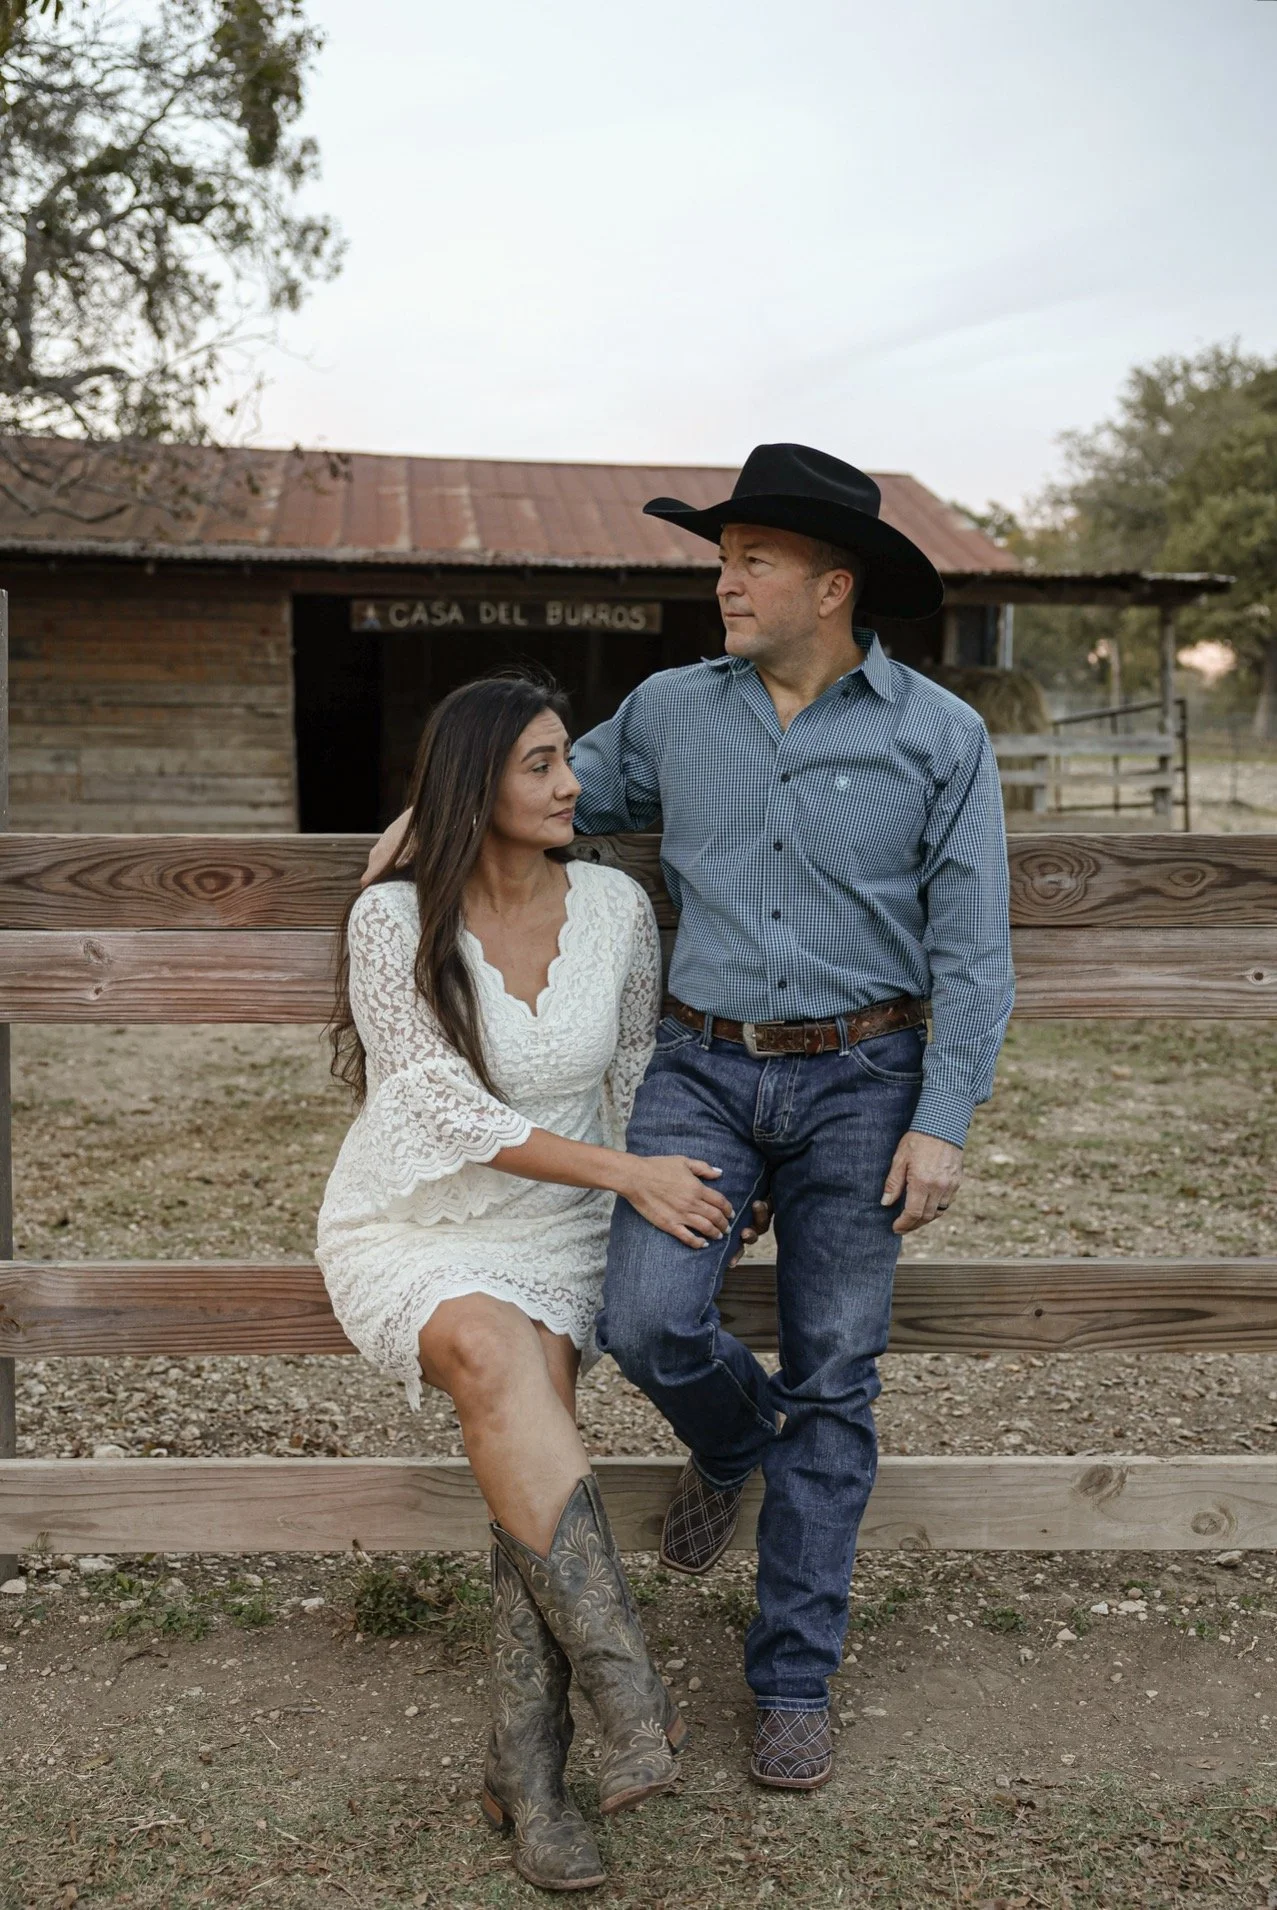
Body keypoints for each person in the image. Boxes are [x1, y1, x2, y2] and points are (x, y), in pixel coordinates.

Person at [364, 442, 1015, 1796]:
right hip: (704, 1069)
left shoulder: (938, 737)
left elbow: (975, 954)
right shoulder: (669, 711)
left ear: (830, 587)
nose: (724, 580)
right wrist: (419, 819)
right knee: (648, 1316)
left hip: (863, 1078)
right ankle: (731, 1435)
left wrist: (940, 1118)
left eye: (752, 559)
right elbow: (527, 782)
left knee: (836, 1371)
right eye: (723, 556)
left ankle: (788, 1680)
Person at [319, 672, 736, 1892]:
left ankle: (531, 1771)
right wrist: (628, 1172)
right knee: (498, 1369)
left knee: (527, 1438)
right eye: (540, 765)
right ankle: (625, 1684)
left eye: (569, 761)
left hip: (564, 1225)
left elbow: (639, 1061)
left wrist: (646, 1189)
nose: (571, 784)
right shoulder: (391, 920)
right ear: (472, 786)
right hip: (420, 1214)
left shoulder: (613, 901)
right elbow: (436, 1108)